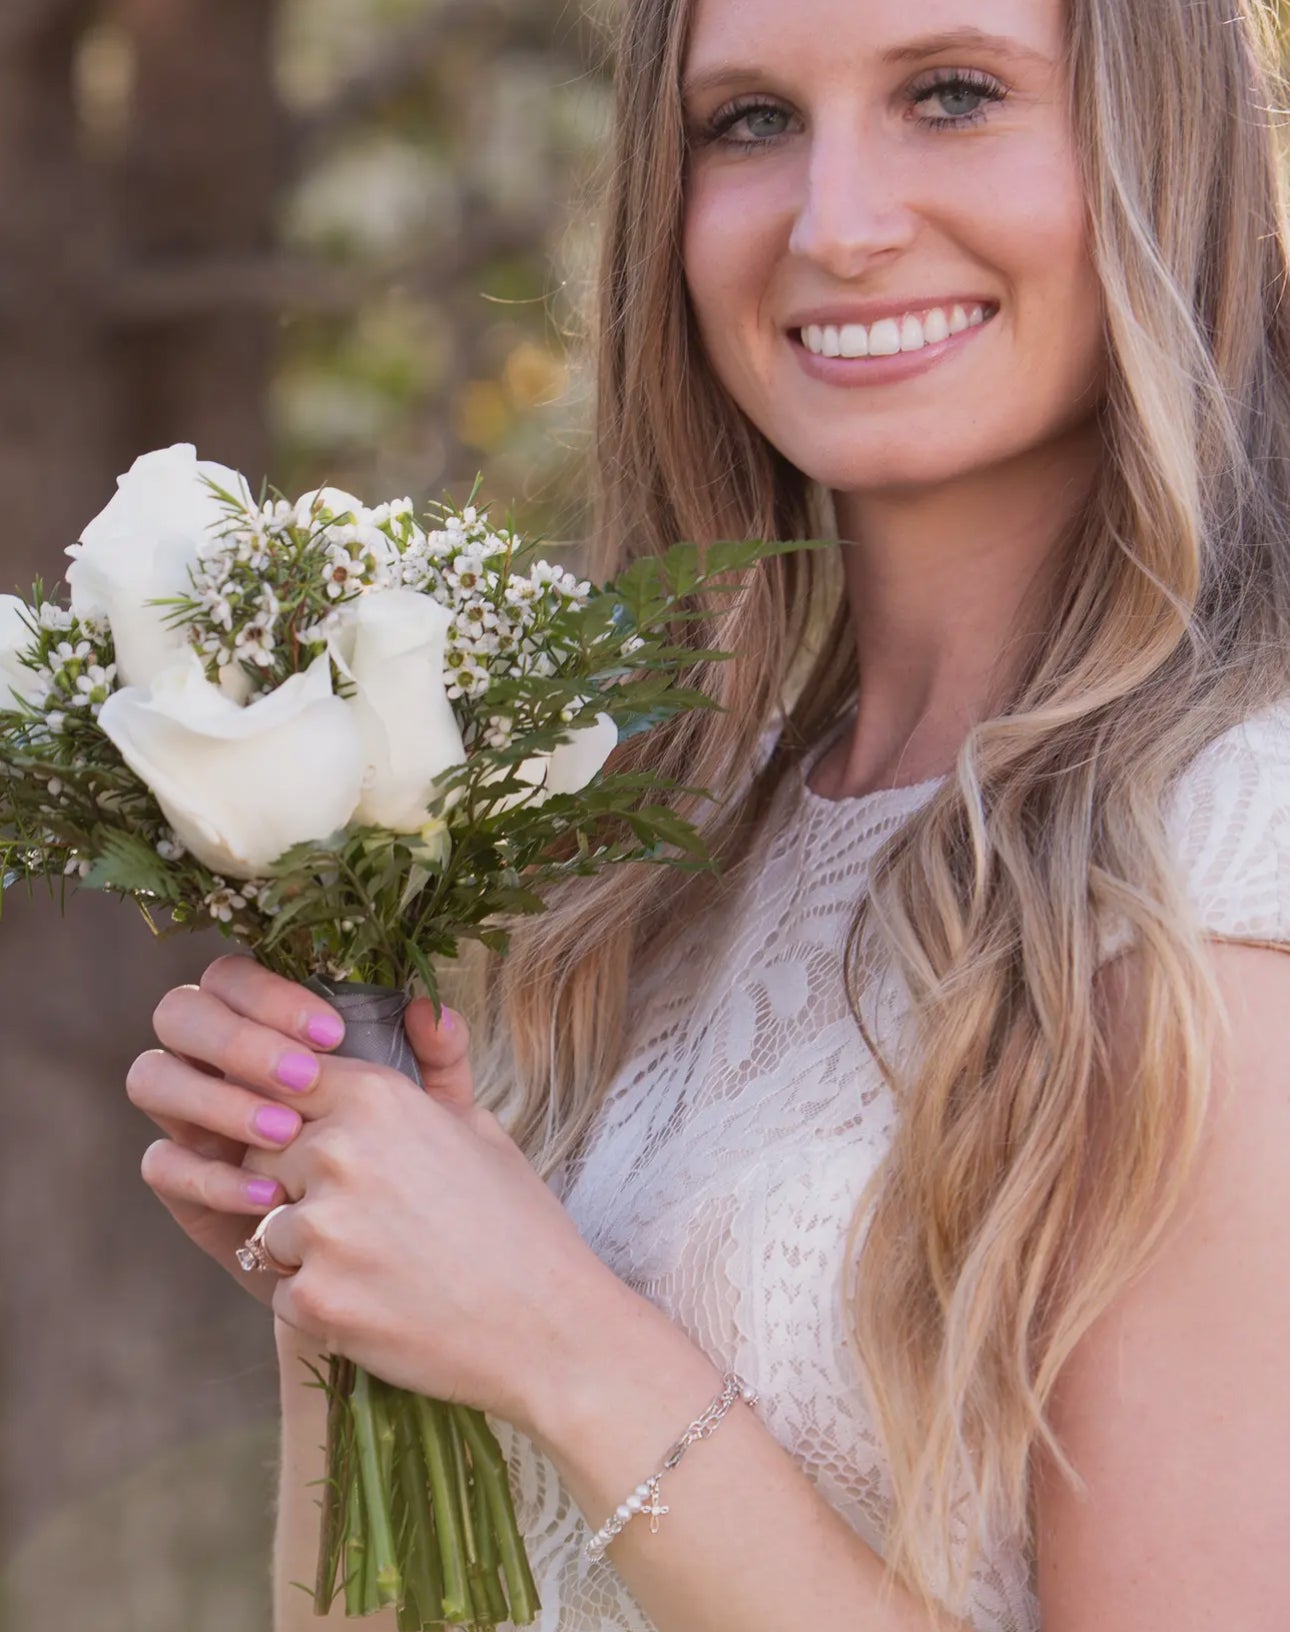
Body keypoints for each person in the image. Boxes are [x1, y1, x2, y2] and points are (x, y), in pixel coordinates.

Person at [124, 0, 1290, 1627]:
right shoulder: (646, 857)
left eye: (950, 93)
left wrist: (556, 1337)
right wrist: (354, 1287)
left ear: (1168, 154)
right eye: (746, 122)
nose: (838, 223)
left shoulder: (1231, 870)